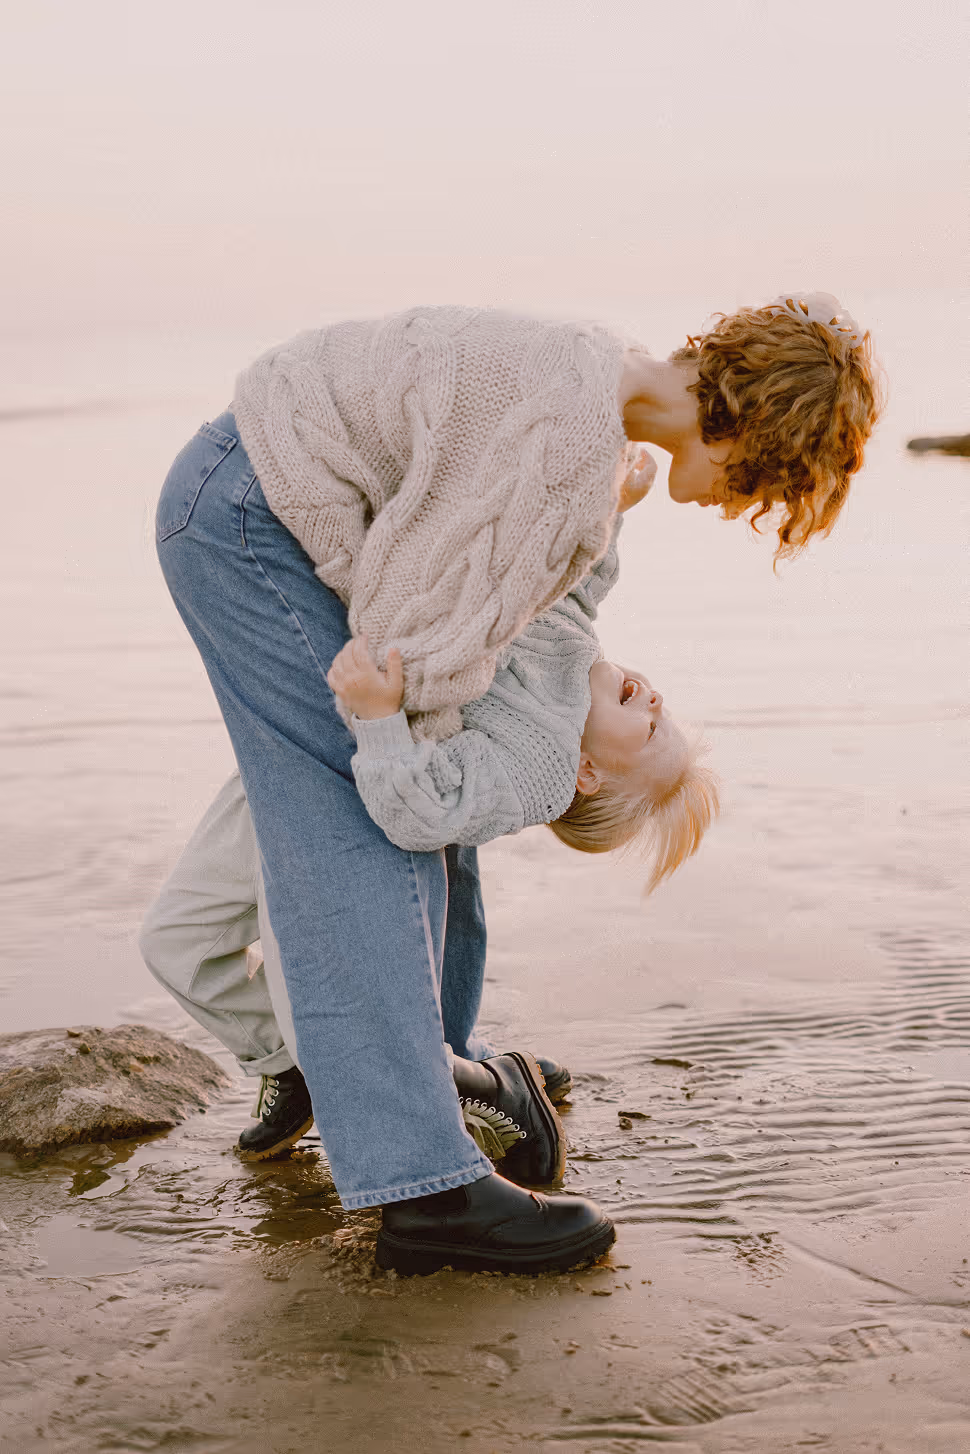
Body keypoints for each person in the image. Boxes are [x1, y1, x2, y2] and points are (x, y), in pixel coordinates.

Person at [148, 293, 880, 1276]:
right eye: (761, 489)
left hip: (247, 484)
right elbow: (416, 625)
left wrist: (474, 749)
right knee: (362, 829)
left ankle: (430, 1080)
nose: (733, 509)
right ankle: (424, 1177)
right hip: (249, 514)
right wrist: (422, 742)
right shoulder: (573, 453)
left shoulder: (595, 385)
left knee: (415, 791)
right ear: (749, 433)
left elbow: (508, 580)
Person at [141, 492, 720, 1169]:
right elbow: (581, 569)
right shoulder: (573, 640)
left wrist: (382, 718)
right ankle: (292, 1064)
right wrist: (613, 502)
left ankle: (427, 1077)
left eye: (649, 731)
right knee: (173, 942)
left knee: (327, 986)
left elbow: (423, 813)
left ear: (586, 772)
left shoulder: (539, 766)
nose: (654, 701)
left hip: (341, 776)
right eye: (662, 712)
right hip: (279, 760)